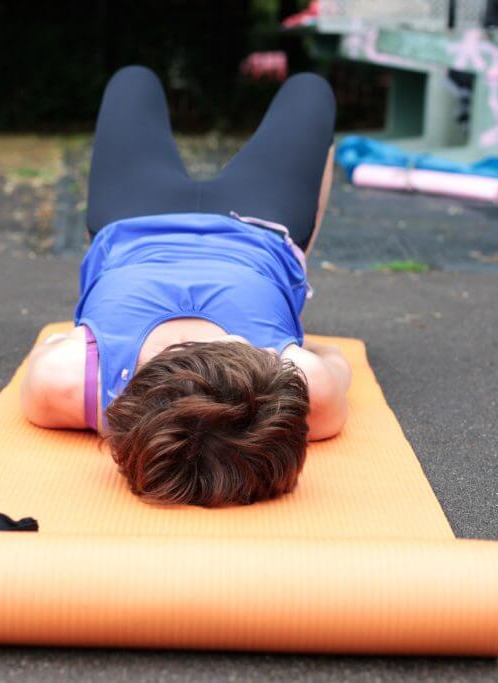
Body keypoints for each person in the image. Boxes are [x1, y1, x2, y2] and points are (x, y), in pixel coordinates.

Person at [20, 65, 351, 507]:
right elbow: (338, 360)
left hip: (132, 219)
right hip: (260, 223)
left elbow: (331, 360)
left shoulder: (64, 384)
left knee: (132, 81)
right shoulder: (304, 389)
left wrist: (301, 350)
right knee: (311, 90)